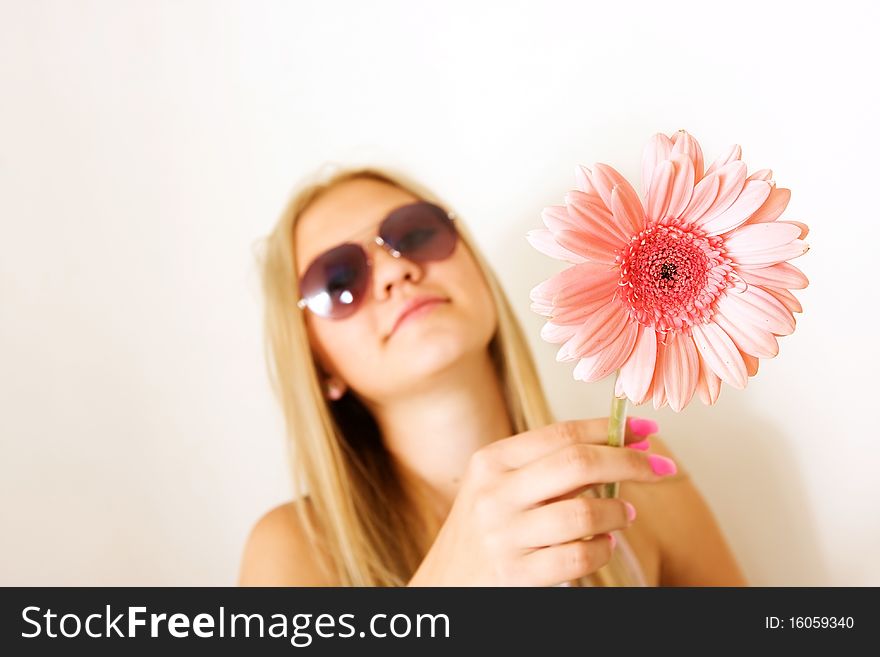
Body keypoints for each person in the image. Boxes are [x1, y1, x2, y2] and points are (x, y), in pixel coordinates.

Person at [238, 164, 747, 586]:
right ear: (318, 364)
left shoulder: (638, 477)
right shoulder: (293, 553)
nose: (396, 272)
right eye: (340, 279)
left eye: (415, 234)